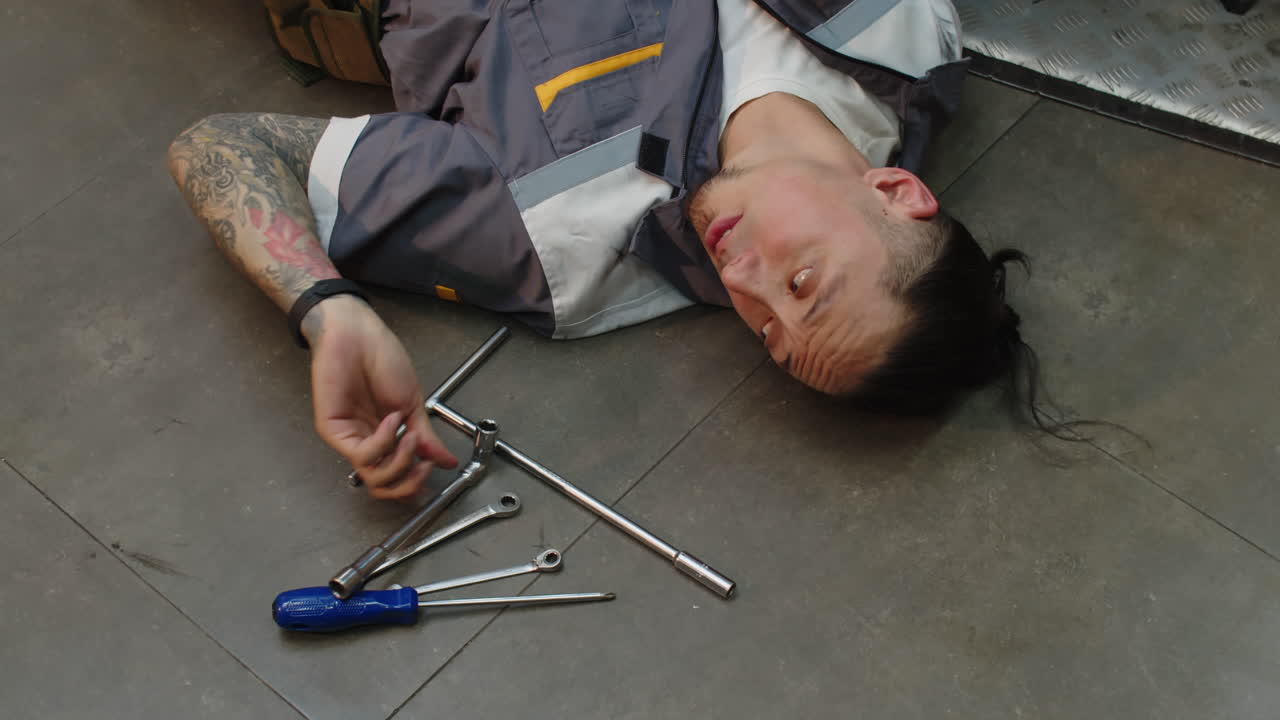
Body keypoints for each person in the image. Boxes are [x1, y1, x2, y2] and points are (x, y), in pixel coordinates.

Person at [168, 0, 1030, 500]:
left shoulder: (569, 237)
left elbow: (225, 148)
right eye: (802, 280)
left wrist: (329, 310)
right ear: (897, 195)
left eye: (765, 329)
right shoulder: (897, 31)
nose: (742, 280)